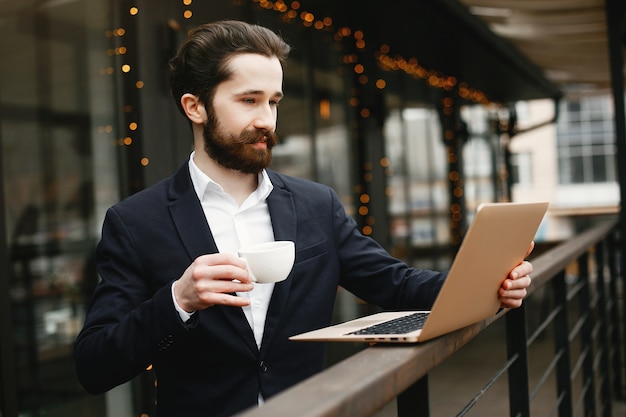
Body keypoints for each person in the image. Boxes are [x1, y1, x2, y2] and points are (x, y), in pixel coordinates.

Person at [74, 20, 534, 417]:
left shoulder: (317, 204)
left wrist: (489, 284)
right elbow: (95, 364)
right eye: (249, 100)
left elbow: (394, 283)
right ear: (195, 106)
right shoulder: (135, 221)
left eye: (273, 101)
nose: (267, 120)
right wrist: (179, 299)